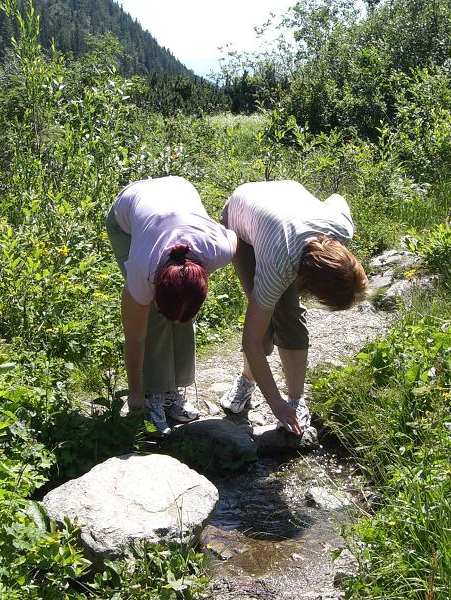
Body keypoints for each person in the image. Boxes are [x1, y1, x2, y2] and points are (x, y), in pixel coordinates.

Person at [219, 180, 368, 435]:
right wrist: (275, 404)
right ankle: (247, 381)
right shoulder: (279, 262)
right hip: (241, 217)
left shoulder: (342, 228)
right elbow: (250, 340)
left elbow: (337, 198)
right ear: (308, 285)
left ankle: (296, 401)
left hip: (281, 205)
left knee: (289, 316)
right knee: (263, 329)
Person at [107, 176, 237, 435]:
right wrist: (135, 392)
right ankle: (153, 393)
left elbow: (232, 235)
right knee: (154, 317)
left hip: (176, 191)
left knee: (182, 305)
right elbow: (134, 337)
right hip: (128, 213)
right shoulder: (142, 268)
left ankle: (171, 390)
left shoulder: (219, 251)